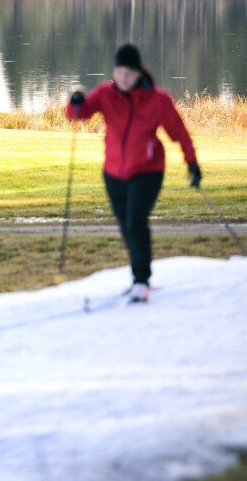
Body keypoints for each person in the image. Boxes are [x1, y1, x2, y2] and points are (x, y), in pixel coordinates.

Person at [66, 43, 202, 303]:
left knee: (136, 220)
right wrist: (75, 102)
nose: (123, 78)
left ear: (139, 73)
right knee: (126, 224)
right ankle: (138, 275)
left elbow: (179, 133)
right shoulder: (106, 93)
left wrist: (192, 163)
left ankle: (142, 280)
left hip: (147, 171)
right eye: (119, 72)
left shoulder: (158, 100)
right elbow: (78, 114)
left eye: (129, 73)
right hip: (114, 172)